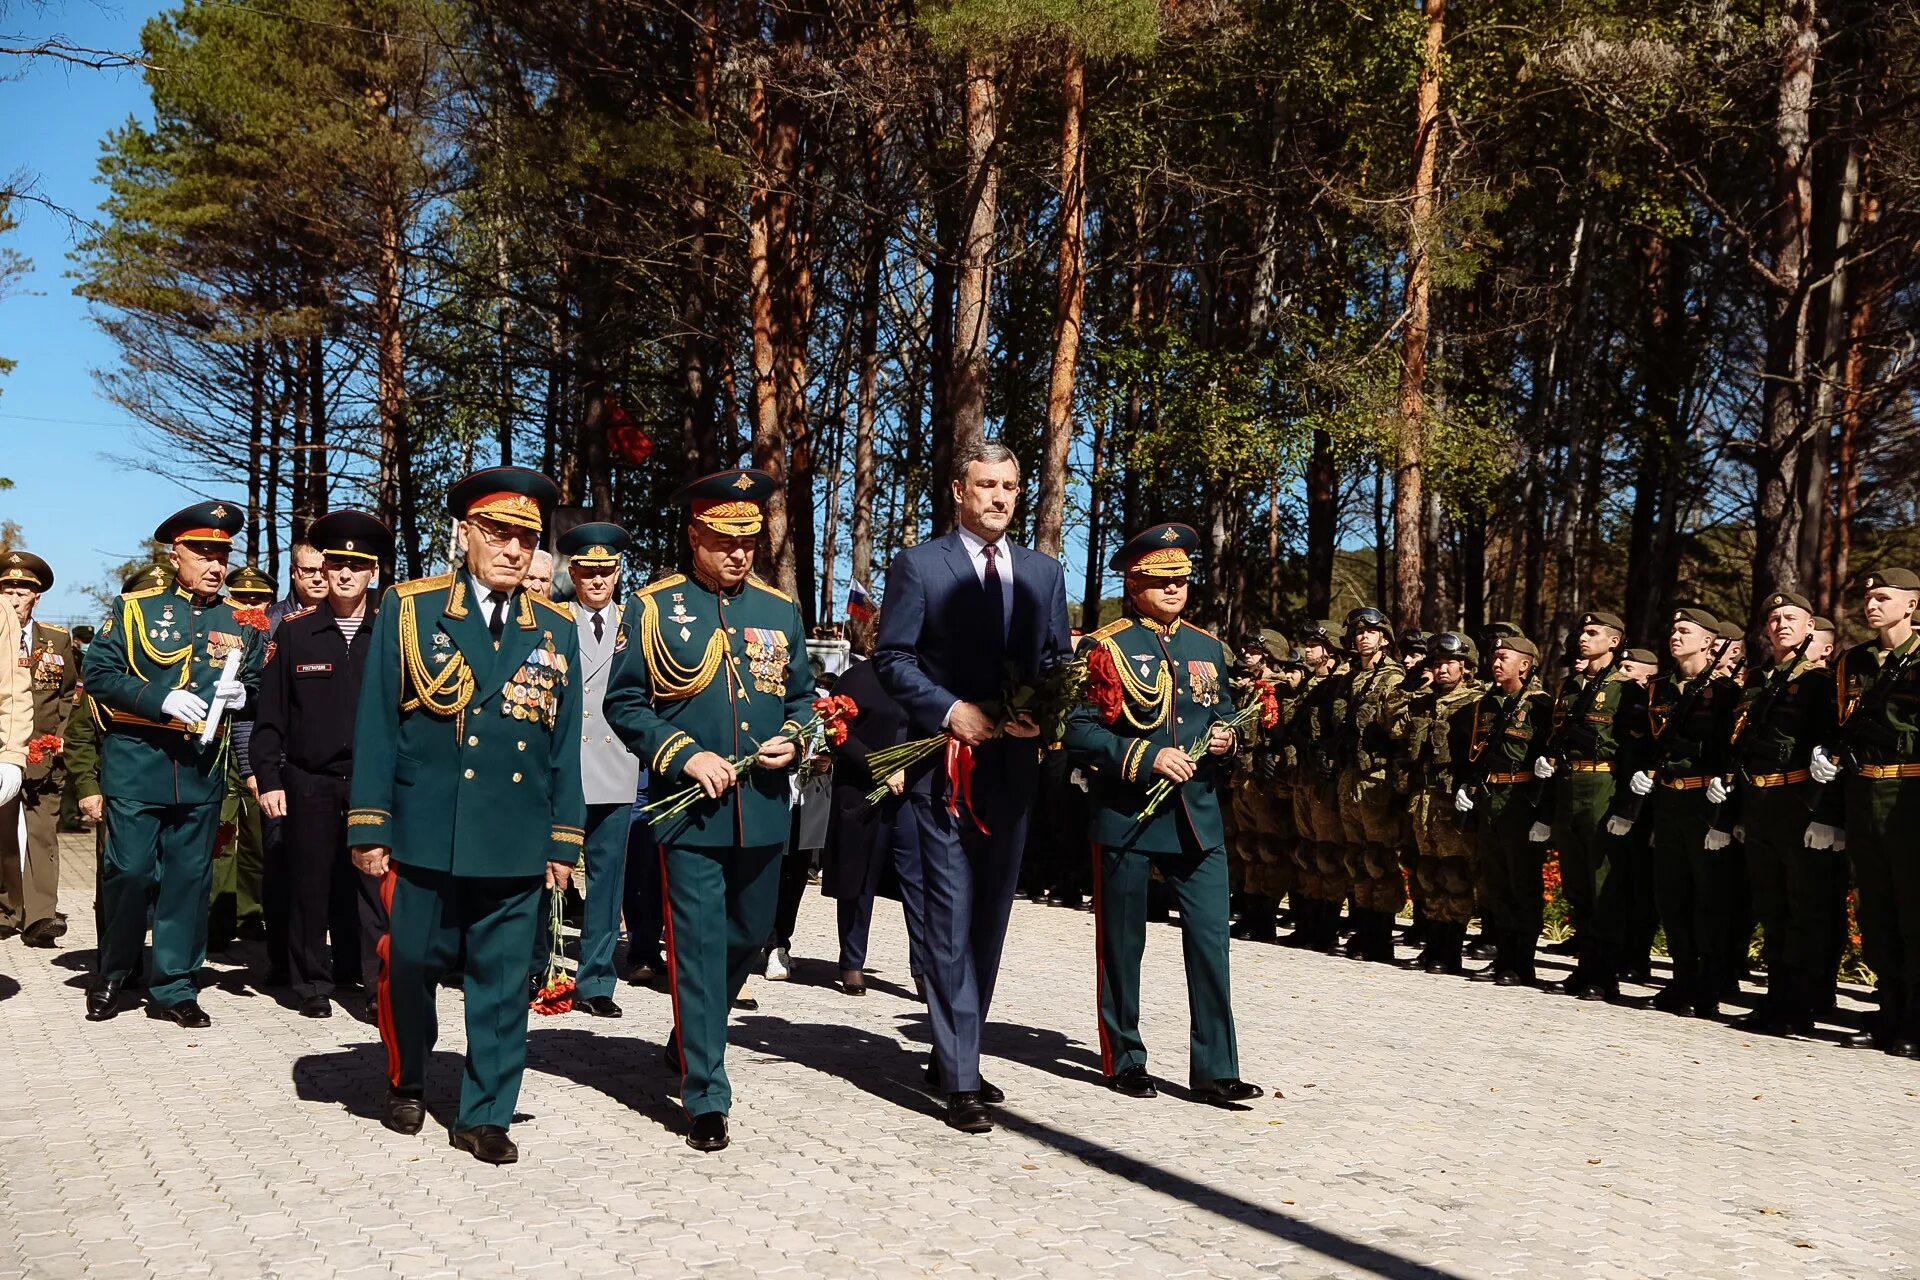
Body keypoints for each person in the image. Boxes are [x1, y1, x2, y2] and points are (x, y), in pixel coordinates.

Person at [348, 467, 584, 1165]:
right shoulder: (413, 608)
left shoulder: (556, 627)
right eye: (500, 534)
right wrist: (370, 825)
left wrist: (563, 838)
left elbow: (563, 745)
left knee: (503, 982)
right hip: (428, 829)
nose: (513, 550)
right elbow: (377, 723)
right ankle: (407, 1076)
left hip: (513, 831)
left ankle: (486, 1112)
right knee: (411, 963)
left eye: (527, 539)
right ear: (465, 535)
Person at [604, 468, 810, 1153]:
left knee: (748, 938)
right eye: (723, 539)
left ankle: (689, 1035)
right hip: (688, 812)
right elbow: (626, 702)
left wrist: (798, 739)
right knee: (694, 946)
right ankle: (706, 1096)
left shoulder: (780, 611)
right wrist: (682, 754)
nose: (737, 553)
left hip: (763, 809)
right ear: (694, 535)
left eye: (748, 540)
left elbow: (805, 701)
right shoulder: (654, 607)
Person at [872, 442, 1073, 1134]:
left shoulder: (1044, 573)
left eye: (1011, 487)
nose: (998, 497)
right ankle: (959, 1075)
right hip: (945, 770)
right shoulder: (922, 566)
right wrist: (947, 709)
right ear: (959, 490)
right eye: (986, 484)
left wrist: (1040, 715)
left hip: (1011, 771)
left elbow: (1058, 663)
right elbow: (891, 657)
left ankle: (953, 1046)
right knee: (950, 919)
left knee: (989, 920)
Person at [1065, 523, 1260, 1106]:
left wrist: (1226, 738)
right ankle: (1123, 1056)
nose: (1174, 588)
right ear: (1134, 582)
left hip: (1197, 817)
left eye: (1180, 578)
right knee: (1122, 946)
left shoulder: (1207, 647)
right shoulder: (1106, 646)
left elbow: (1220, 712)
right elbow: (1076, 728)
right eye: (1160, 578)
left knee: (1210, 944)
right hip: (1129, 813)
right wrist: (1147, 756)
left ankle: (1216, 1068)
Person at [82, 501, 266, 1026]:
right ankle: (115, 971)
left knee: (189, 880)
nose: (215, 565)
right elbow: (98, 673)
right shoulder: (135, 609)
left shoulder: (241, 621)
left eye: (222, 554)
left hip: (200, 771)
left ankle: (175, 986)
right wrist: (156, 699)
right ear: (175, 553)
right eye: (203, 553)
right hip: (138, 764)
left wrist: (241, 697)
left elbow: (253, 687)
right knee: (130, 872)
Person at [252, 511, 392, 1019]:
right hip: (309, 779)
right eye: (337, 565)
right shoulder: (296, 634)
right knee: (309, 882)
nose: (346, 575)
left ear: (372, 572)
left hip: (374, 781)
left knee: (372, 888)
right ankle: (310, 981)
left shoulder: (393, 633)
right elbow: (271, 714)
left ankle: (375, 983)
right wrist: (269, 776)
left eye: (357, 566)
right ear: (325, 571)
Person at [1811, 567, 1920, 1056]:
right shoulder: (1853, 661)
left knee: (1915, 911)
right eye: (1868, 597)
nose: (1871, 604)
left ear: (1911, 606)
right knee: (1876, 911)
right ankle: (1888, 1011)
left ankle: (1916, 1021)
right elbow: (1841, 728)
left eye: (1883, 597)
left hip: (1910, 797)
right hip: (1862, 794)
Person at [1723, 589, 1835, 1037]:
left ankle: (1800, 1003)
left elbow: (1831, 751)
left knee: (1802, 905)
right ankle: (1775, 998)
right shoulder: (1757, 680)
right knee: (1771, 905)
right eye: (1773, 619)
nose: (1781, 624)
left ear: (1811, 627)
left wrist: (1828, 815)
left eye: (1791, 617)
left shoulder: (1820, 681)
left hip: (1796, 802)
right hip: (1759, 801)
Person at [1621, 607, 1742, 1018]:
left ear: (1708, 642)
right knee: (1670, 896)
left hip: (1704, 804)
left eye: (1685, 630)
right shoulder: (1660, 689)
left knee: (1708, 899)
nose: (1675, 636)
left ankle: (1709, 986)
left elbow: (1732, 750)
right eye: (1673, 629)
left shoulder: (1726, 691)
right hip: (1668, 802)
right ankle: (1680, 979)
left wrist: (1726, 816)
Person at [551, 521, 641, 1018]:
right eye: (587, 571)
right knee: (552, 873)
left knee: (607, 881)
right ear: (574, 572)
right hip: (564, 766)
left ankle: (596, 979)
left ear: (617, 573)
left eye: (606, 571)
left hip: (615, 763)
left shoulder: (634, 625)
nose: (597, 581)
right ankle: (541, 967)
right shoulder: (555, 619)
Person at [1530, 610, 1640, 1000]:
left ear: (1614, 641)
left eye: (1593, 633)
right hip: (1567, 785)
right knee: (1576, 882)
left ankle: (1604, 972)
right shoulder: (1569, 687)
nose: (1583, 638)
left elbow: (1633, 751)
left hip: (1602, 784)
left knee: (1601, 884)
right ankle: (1584, 966)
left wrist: (1627, 808)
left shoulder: (1627, 689)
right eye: (1581, 631)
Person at [236, 541, 328, 983]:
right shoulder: (268, 624)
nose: (317, 578)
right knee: (280, 860)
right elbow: (249, 706)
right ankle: (279, 958)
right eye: (308, 570)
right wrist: (253, 768)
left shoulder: (347, 624)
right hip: (278, 765)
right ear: (293, 573)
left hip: (326, 771)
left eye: (323, 570)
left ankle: (321, 957)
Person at [821, 624, 927, 996]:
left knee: (918, 882)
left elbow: (932, 732)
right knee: (858, 879)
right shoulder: (856, 678)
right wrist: (880, 767)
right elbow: (836, 731)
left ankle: (923, 968)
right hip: (862, 792)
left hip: (909, 793)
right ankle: (852, 962)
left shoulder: (923, 679)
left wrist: (905, 771)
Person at [1454, 634, 1551, 985]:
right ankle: (1502, 955)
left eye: (1504, 657)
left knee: (1522, 883)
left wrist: (1544, 815)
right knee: (1495, 883)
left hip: (1519, 799)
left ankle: (1521, 962)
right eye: (1494, 657)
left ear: (1524, 665)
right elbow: (1473, 753)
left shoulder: (1541, 706)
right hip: (1489, 797)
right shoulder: (1487, 703)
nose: (1495, 663)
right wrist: (1467, 786)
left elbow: (1548, 762)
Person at [1389, 631, 1484, 973]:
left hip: (1452, 800)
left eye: (1450, 663)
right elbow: (1390, 725)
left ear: (1466, 667)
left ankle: (1450, 950)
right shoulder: (1422, 701)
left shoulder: (1478, 701)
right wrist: (1409, 685)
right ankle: (1432, 946)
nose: (1442, 670)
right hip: (1423, 799)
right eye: (1438, 663)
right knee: (1427, 873)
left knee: (1455, 875)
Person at [0, 551, 78, 946]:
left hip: (44, 752)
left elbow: (69, 696)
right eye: (8, 590)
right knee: (1, 832)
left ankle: (41, 916)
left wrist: (63, 736)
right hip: (2, 751)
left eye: (23, 591)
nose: (15, 599)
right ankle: (6, 908)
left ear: (37, 597)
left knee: (43, 832)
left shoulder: (57, 640)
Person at [1330, 606, 1408, 963]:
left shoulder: (1393, 678)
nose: (1363, 637)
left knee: (1379, 857)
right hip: (1350, 775)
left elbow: (1398, 731)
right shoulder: (1349, 679)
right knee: (1357, 856)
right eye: (1358, 632)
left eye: (1370, 632)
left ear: (1384, 638)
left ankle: (1381, 934)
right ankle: (1363, 928)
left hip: (1377, 778)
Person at [1285, 621, 1344, 951]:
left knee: (1327, 853)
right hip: (1303, 776)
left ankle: (1327, 928)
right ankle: (1308, 923)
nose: (1308, 649)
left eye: (1314, 644)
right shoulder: (1308, 685)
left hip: (1325, 779)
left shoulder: (1339, 685)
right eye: (1306, 643)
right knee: (1307, 852)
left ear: (1331, 650)